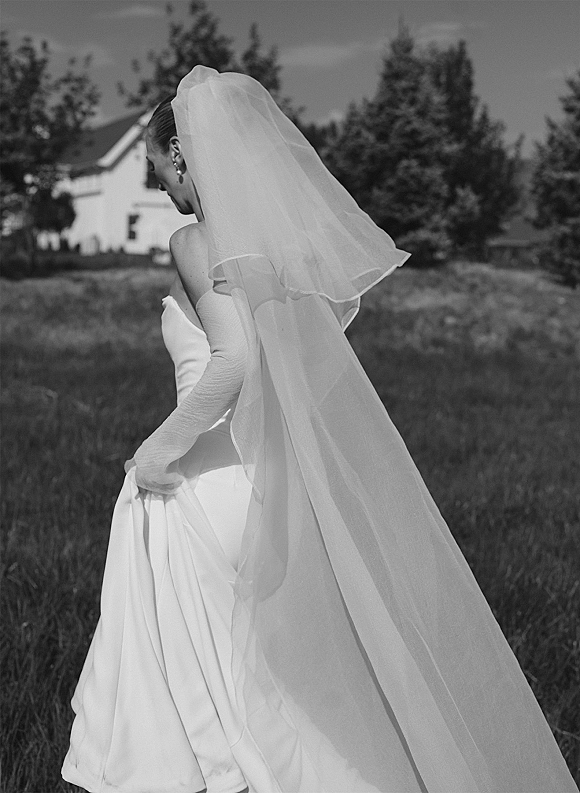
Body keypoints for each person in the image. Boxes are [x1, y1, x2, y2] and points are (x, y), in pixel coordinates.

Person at [62, 65, 577, 793]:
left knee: (205, 702)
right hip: (268, 490)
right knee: (280, 695)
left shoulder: (193, 240)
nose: (163, 192)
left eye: (157, 172)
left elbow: (234, 357)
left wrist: (155, 451)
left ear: (181, 155)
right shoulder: (278, 255)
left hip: (205, 488)